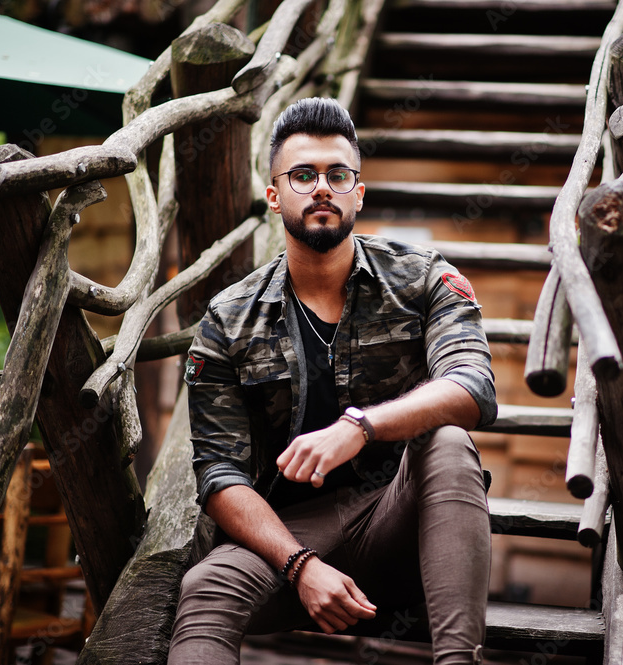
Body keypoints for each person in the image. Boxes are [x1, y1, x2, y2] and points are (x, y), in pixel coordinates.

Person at [167, 97, 496, 665]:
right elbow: (219, 473)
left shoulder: (422, 281)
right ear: (274, 196)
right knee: (202, 590)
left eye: (337, 174)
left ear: (357, 193)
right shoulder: (228, 319)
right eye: (302, 175)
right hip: (286, 540)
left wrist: (361, 427)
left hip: (403, 523)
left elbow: (473, 388)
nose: (322, 187)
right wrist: (300, 566)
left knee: (446, 441)